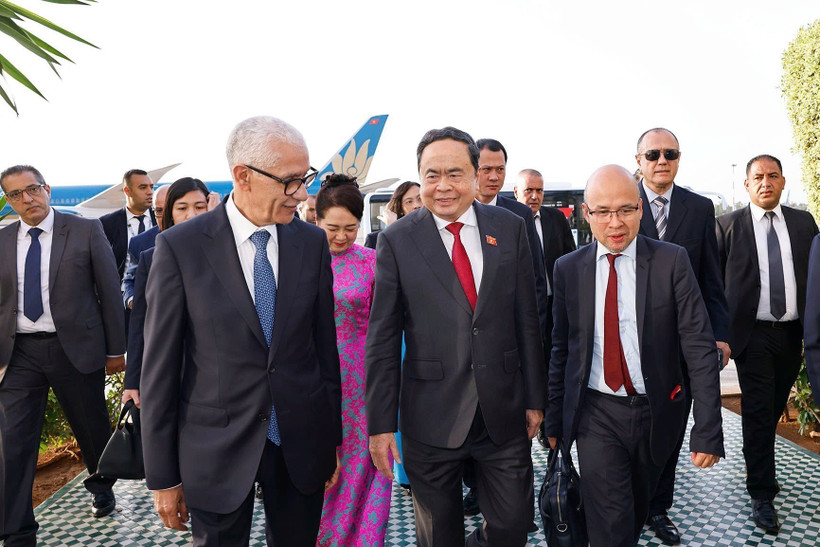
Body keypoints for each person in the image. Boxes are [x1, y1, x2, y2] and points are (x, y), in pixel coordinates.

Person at [141, 116, 342, 547]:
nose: (302, 193)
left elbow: (324, 351)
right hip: (215, 447)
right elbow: (160, 369)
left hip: (300, 444)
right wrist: (162, 474)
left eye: (305, 179)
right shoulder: (181, 248)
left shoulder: (311, 243)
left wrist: (330, 442)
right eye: (290, 181)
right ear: (243, 176)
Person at [366, 127, 546, 547]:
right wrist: (380, 425)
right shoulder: (396, 240)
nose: (442, 186)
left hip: (502, 413)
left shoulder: (510, 227)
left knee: (511, 527)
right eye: (431, 175)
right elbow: (383, 338)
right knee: (439, 536)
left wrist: (536, 398)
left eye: (454, 173)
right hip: (429, 418)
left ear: (474, 174)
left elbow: (527, 318)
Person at [547, 165, 724, 547]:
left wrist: (708, 426)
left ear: (642, 209)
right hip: (596, 413)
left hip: (657, 411)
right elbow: (561, 348)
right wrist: (554, 419)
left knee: (637, 510)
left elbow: (697, 345)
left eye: (626, 209)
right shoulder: (568, 269)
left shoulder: (671, 261)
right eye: (604, 212)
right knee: (609, 524)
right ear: (587, 214)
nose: (616, 222)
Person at [0, 165, 125, 546]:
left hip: (75, 349)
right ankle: (16, 533)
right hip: (18, 353)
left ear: (47, 189)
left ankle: (101, 485)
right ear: (8, 201)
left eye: (33, 189)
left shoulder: (85, 230)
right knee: (12, 442)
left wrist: (116, 350)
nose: (27, 199)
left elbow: (109, 289)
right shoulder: (3, 240)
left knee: (91, 429)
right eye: (16, 194)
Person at [634, 127, 730, 545]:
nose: (661, 160)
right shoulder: (620, 202)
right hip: (629, 341)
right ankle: (628, 505)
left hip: (683, 346)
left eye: (670, 153)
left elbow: (711, 275)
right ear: (637, 159)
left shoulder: (698, 207)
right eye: (652, 153)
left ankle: (657, 509)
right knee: (628, 430)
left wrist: (721, 334)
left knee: (670, 432)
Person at [716, 154, 818, 534]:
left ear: (782, 180)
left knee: (773, 409)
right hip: (752, 334)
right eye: (757, 177)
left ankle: (760, 467)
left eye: (772, 176)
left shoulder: (804, 223)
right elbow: (714, 285)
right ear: (746, 185)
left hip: (793, 334)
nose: (765, 183)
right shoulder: (727, 226)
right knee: (759, 412)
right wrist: (720, 335)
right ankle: (761, 494)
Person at [461, 138, 548, 516]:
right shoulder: (452, 212)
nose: (493, 177)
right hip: (459, 359)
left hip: (507, 356)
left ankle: (520, 512)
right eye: (486, 169)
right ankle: (476, 491)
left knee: (513, 444)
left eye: (500, 169)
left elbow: (533, 288)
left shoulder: (518, 218)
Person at [314, 173, 391, 546]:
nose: (342, 237)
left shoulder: (374, 262)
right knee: (325, 468)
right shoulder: (301, 261)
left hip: (365, 384)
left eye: (351, 228)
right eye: (333, 228)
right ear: (316, 219)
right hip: (315, 380)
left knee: (368, 468)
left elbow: (388, 325)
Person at [121, 177, 211, 408]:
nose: (191, 215)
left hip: (215, 370)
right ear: (170, 213)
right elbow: (140, 322)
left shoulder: (227, 255)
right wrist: (132, 381)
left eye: (199, 207)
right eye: (182, 208)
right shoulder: (150, 258)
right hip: (167, 368)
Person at [99, 169, 156, 278]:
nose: (150, 192)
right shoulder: (107, 223)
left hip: (158, 290)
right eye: (143, 187)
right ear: (127, 191)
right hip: (123, 291)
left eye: (151, 187)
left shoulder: (162, 218)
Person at [122, 184, 169, 309]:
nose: (165, 216)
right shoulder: (140, 242)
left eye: (168, 209)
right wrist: (133, 300)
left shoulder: (197, 237)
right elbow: (130, 279)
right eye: (158, 211)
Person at [364, 181, 422, 249]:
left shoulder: (434, 231)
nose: (416, 205)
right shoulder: (374, 240)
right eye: (409, 202)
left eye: (420, 199)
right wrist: (393, 230)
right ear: (400, 208)